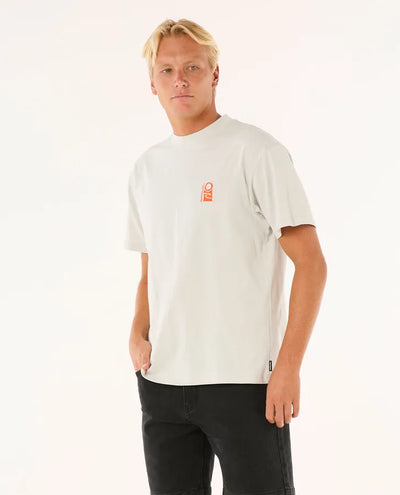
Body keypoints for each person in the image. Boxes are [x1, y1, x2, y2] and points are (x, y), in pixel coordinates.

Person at [124, 18, 327, 495]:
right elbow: (152, 271)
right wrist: (137, 331)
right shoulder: (146, 169)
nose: (180, 79)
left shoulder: (255, 152)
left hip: (244, 382)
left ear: (214, 74)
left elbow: (312, 264)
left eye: (192, 67)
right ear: (152, 83)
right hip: (162, 383)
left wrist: (289, 367)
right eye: (167, 70)